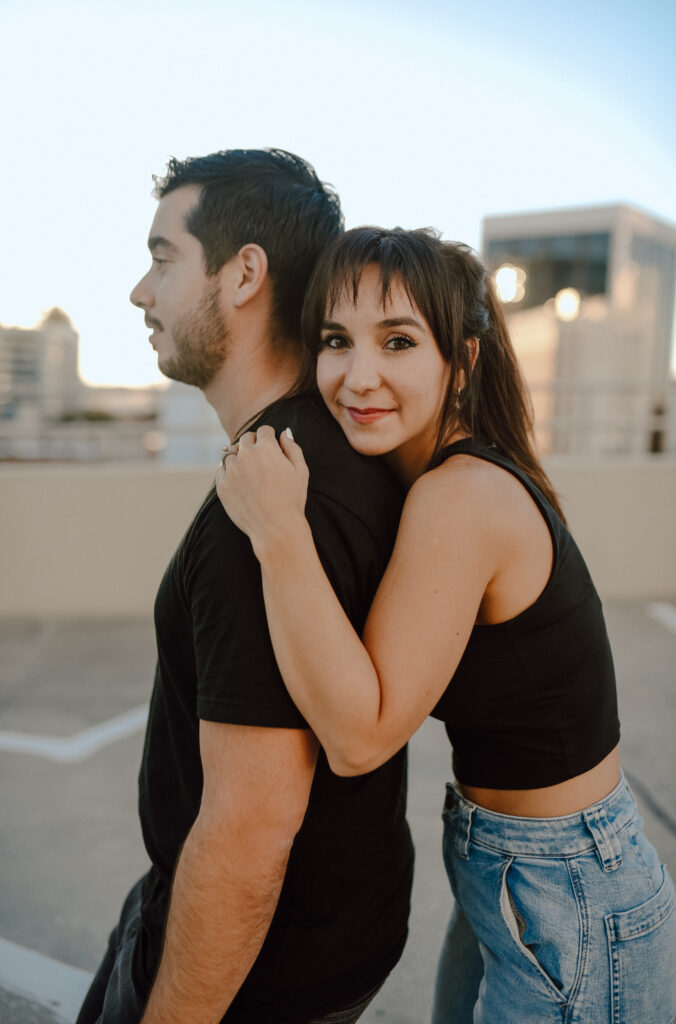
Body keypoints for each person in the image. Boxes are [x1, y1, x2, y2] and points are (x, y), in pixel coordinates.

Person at [215, 226, 676, 1023]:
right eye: (337, 340)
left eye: (398, 341)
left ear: (461, 361)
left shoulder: (459, 496)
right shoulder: (437, 477)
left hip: (568, 888)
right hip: (515, 874)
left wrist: (277, 533)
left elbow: (361, 738)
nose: (359, 377)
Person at [77, 153, 414, 1024]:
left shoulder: (265, 504)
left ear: (244, 274)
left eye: (162, 257)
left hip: (253, 974)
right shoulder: (331, 455)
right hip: (328, 939)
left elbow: (249, 833)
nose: (139, 293)